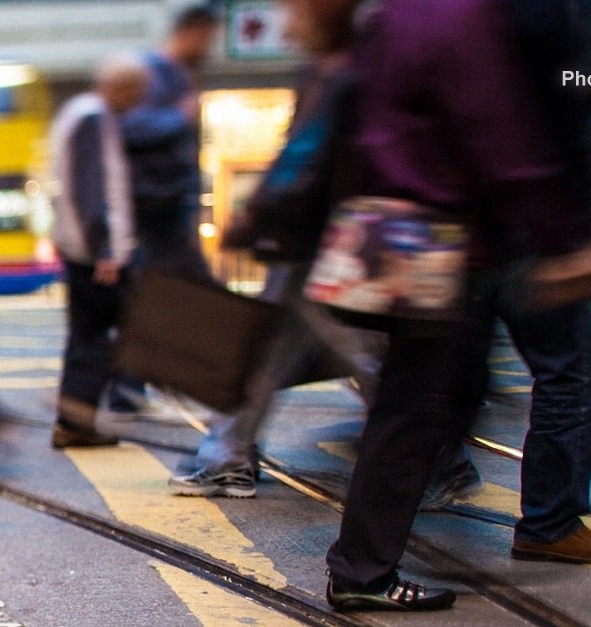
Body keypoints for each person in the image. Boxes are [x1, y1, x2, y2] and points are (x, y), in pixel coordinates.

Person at [323, 0, 591, 612]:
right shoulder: (461, 17)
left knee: (426, 400)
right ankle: (362, 571)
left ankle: (363, 560)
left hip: (400, 232)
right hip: (444, 242)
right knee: (419, 406)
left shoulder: (391, 16)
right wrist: (556, 233)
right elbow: (499, 134)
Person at [173, 0, 373, 499]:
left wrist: (256, 213)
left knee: (363, 356)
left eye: (294, 14)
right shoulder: (337, 69)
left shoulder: (339, 74)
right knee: (269, 348)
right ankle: (227, 455)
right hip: (317, 238)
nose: (285, 25)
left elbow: (304, 155)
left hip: (319, 240)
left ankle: (431, 444)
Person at [110, 4, 221, 422]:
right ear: (193, 31)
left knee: (156, 300)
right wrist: (178, 117)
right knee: (190, 299)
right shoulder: (156, 73)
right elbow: (130, 126)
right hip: (155, 207)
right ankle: (195, 388)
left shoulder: (175, 74)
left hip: (169, 207)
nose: (210, 47)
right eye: (208, 37)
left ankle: (129, 389)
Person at [47, 54, 150, 449]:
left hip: (84, 250)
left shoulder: (81, 113)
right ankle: (75, 419)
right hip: (95, 255)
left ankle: (75, 419)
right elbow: (90, 188)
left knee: (88, 335)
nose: (138, 101)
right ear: (121, 86)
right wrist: (104, 250)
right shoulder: (93, 117)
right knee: (100, 336)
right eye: (136, 92)